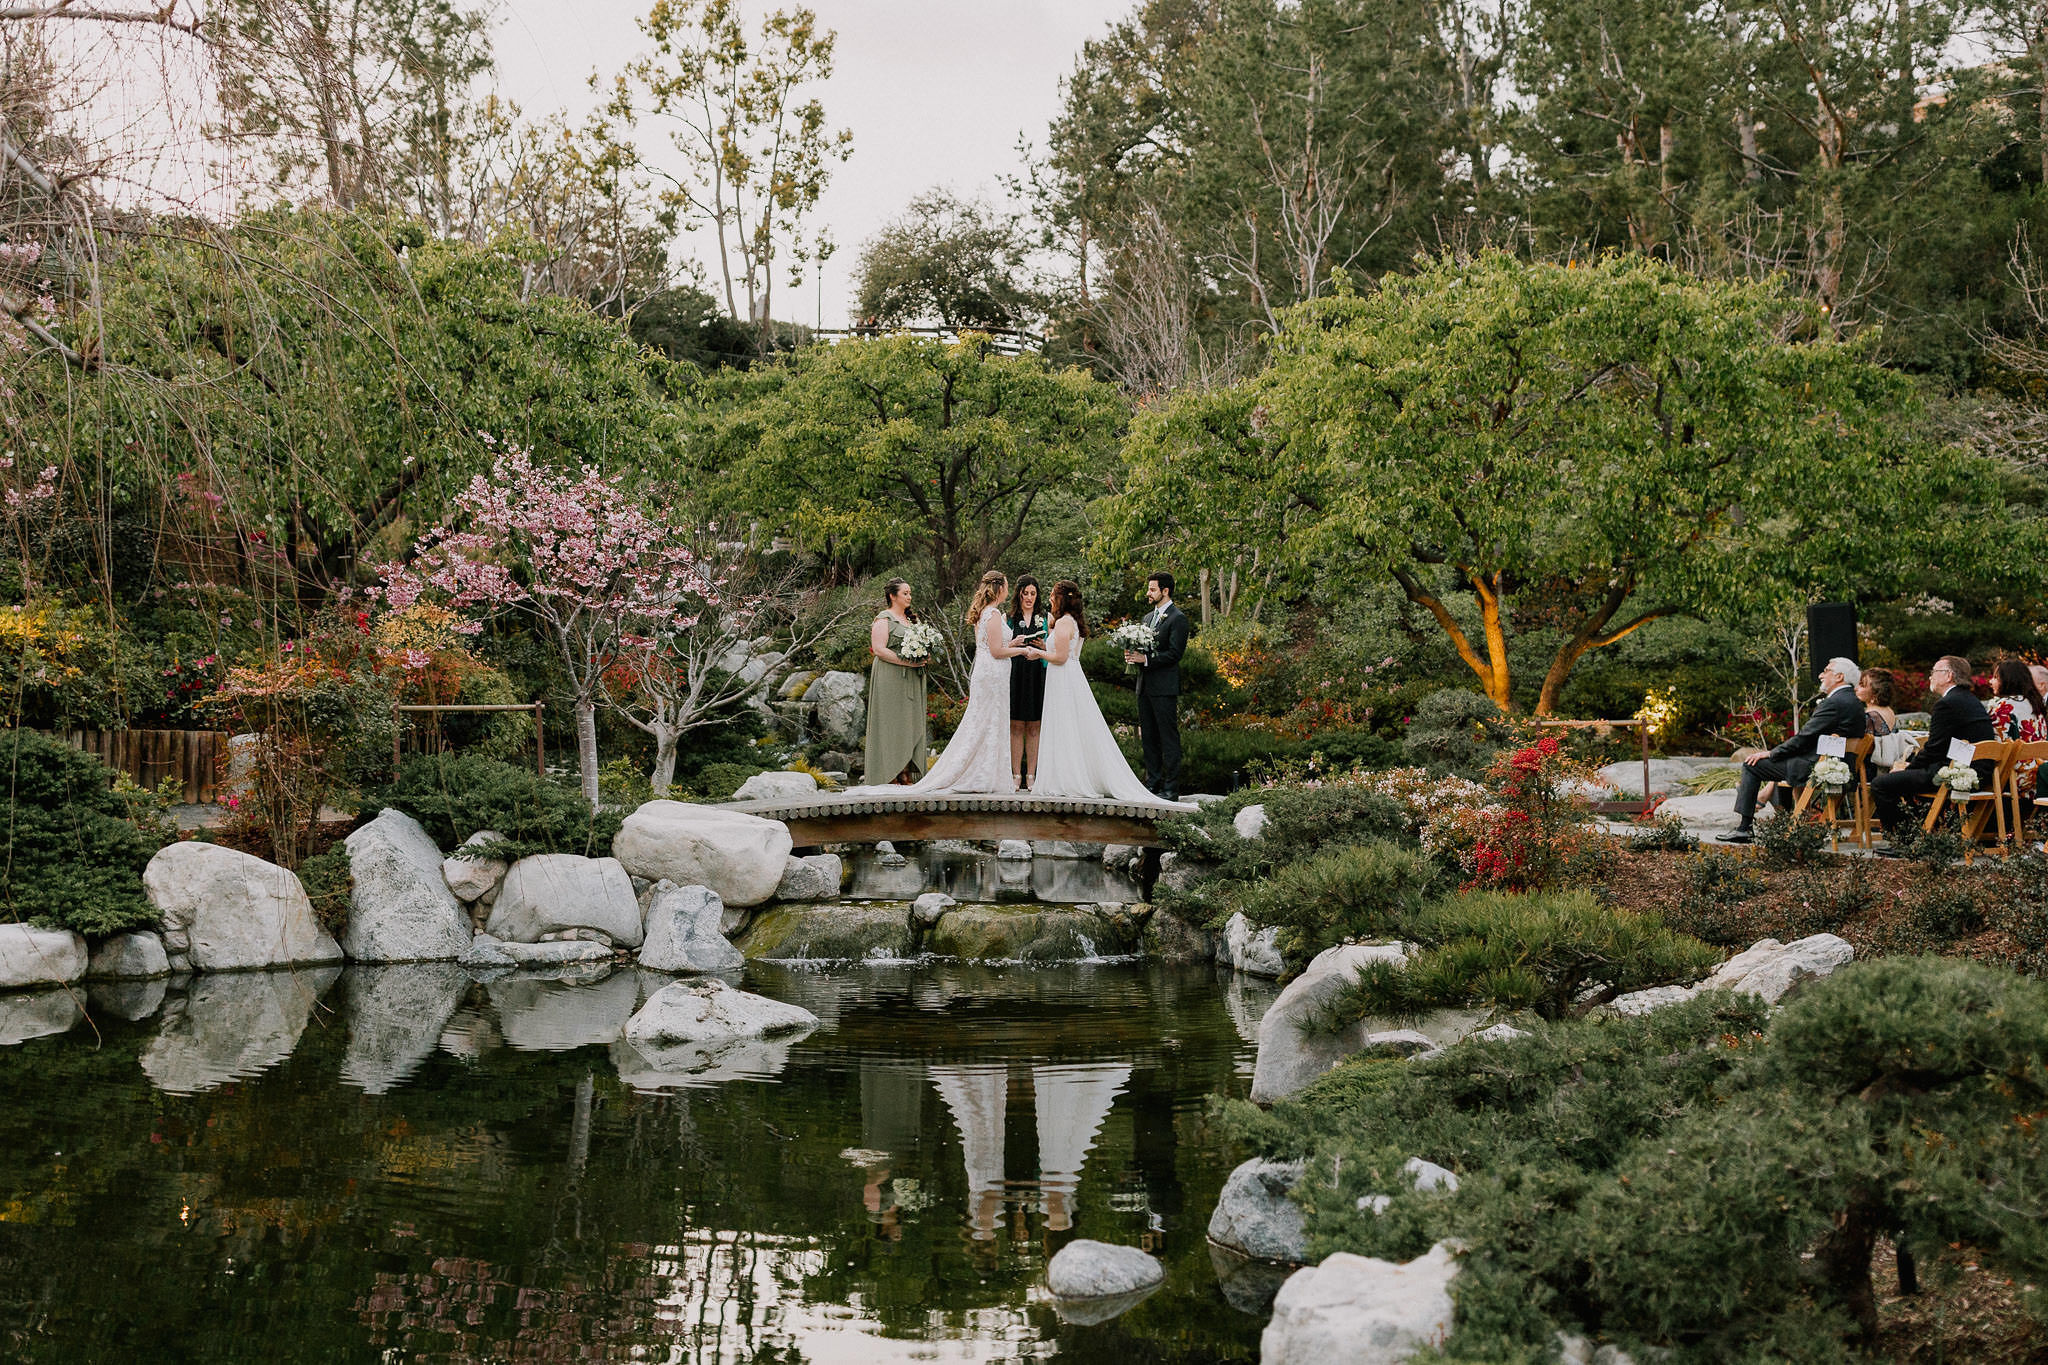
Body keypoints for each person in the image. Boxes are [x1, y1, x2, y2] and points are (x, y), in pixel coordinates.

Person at [1026, 581, 1179, 805]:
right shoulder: (1070, 622)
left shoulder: (1064, 623)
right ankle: (1066, 776)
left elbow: (1059, 657)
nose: (1049, 598)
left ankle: (1067, 780)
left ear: (1061, 599)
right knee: (1071, 727)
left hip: (1062, 678)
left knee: (1064, 726)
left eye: (1052, 595)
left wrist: (1037, 654)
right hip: (1069, 677)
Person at [891, 570, 1033, 795]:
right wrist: (1022, 650)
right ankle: (983, 776)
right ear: (999, 588)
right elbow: (996, 651)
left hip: (989, 673)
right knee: (989, 721)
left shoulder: (985, 612)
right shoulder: (994, 614)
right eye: (1006, 585)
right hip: (993, 675)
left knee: (985, 722)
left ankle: (986, 773)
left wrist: (1013, 641)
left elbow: (992, 644)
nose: (1008, 590)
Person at [1717, 657, 1867, 844]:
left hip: (1817, 768)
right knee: (1773, 762)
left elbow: (1804, 738)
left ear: (1839, 676)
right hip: (1842, 768)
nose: (1821, 674)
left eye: (1826, 670)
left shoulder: (1834, 703)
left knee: (1752, 765)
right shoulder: (1855, 703)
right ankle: (1775, 817)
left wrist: (1771, 753)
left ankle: (1744, 828)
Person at [1871, 654, 1997, 840]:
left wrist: (1907, 767)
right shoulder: (1969, 699)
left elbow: (1934, 749)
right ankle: (1922, 832)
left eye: (1934, 672)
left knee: (1881, 784)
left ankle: (1903, 840)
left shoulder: (1947, 704)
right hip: (1979, 770)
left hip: (1958, 772)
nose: (1930, 676)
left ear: (1948, 676)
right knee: (1904, 780)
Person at [1123, 571, 1189, 801]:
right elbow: (1144, 649)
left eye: (1152, 589)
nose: (1148, 593)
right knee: (1148, 737)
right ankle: (1152, 783)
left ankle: (1171, 788)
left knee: (1168, 738)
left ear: (1165, 591)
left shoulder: (1177, 619)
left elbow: (1174, 654)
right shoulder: (1146, 618)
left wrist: (1147, 660)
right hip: (1144, 687)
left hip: (1164, 688)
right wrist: (1133, 655)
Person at [863, 578, 928, 786]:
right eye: (905, 593)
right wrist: (907, 661)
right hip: (890, 677)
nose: (909, 597)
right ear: (893, 596)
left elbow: (924, 646)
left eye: (910, 593)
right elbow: (879, 650)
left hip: (912, 679)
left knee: (909, 722)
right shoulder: (884, 619)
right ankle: (889, 773)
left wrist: (924, 656)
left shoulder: (913, 622)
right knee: (891, 723)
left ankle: (906, 771)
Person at [1007, 576, 1049, 790]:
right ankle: (1015, 774)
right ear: (1019, 594)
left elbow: (1054, 649)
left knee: (1034, 726)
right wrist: (1012, 643)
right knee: (1015, 725)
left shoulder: (1045, 618)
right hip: (1015, 673)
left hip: (1037, 674)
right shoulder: (1009, 618)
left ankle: (1031, 774)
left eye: (1033, 593)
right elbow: (1000, 646)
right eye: (1026, 593)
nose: (1029, 598)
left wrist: (1044, 645)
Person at [1987, 658, 2046, 742]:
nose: (1990, 681)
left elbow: (1995, 741)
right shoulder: (2034, 702)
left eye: (1996, 677)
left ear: (2008, 680)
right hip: (2038, 754)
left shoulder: (2003, 706)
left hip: (2013, 754)